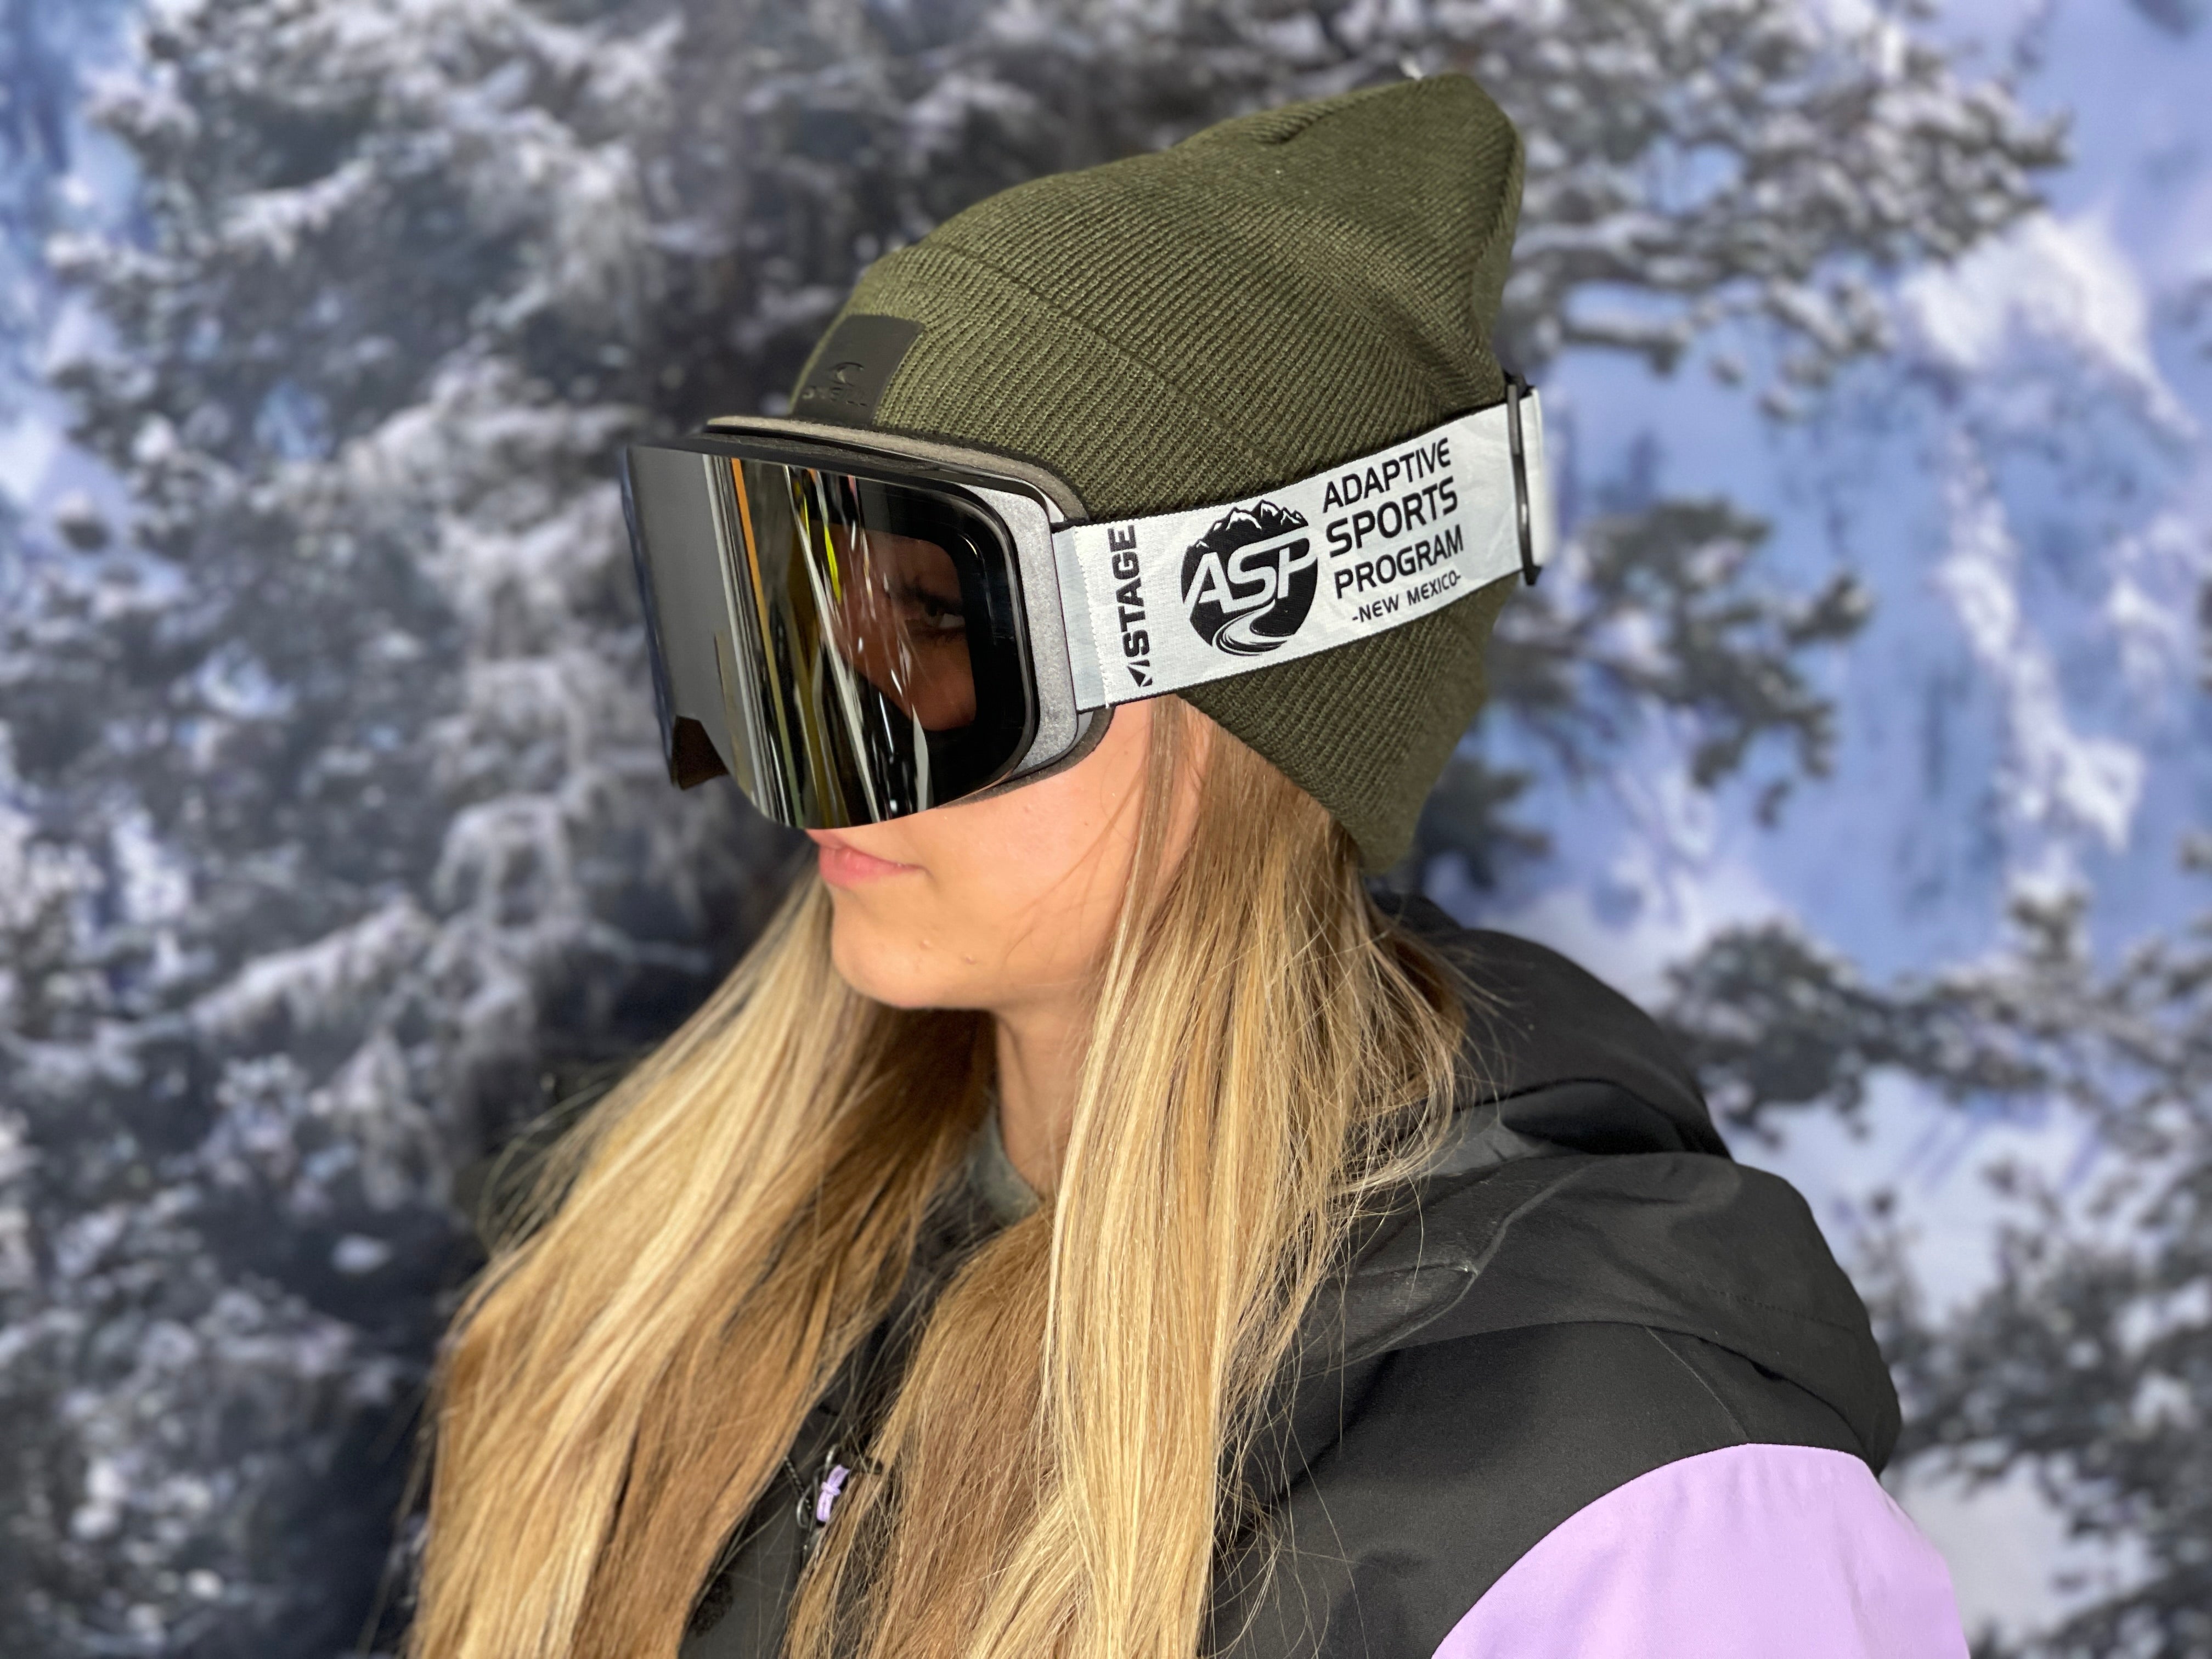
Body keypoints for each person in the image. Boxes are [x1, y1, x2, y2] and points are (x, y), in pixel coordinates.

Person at [406, 75, 1970, 1659]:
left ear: (1247, 669)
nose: (823, 736)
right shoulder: (677, 1282)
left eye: (937, 627)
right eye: (801, 616)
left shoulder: (1637, 1512)